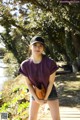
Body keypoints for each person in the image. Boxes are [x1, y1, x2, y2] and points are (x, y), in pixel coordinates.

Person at [19, 36, 60, 120]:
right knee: (32, 118)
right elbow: (29, 84)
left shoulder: (50, 63)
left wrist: (45, 98)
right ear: (30, 47)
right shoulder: (25, 65)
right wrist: (37, 99)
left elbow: (51, 83)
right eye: (35, 45)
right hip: (35, 92)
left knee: (56, 119)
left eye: (40, 46)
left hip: (50, 91)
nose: (38, 48)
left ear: (43, 48)